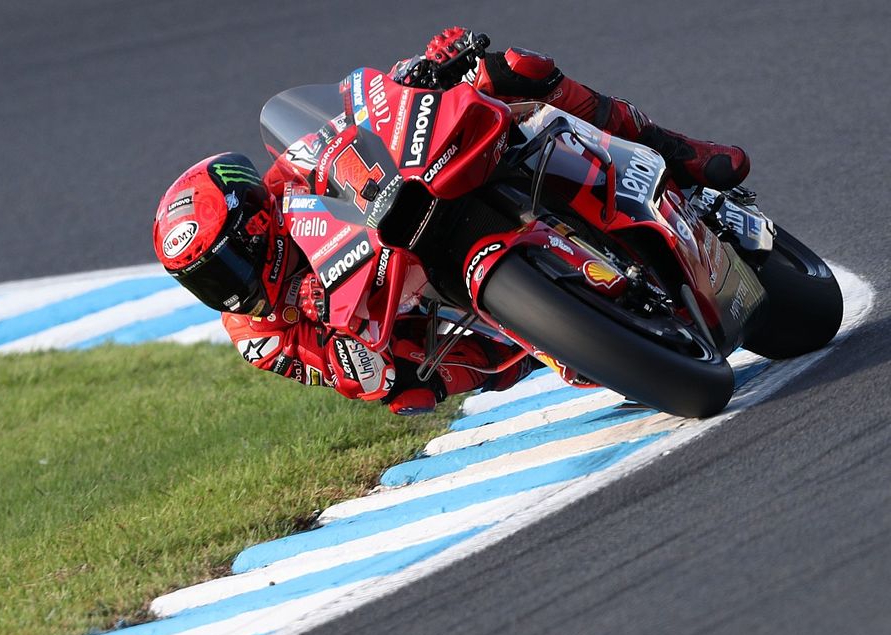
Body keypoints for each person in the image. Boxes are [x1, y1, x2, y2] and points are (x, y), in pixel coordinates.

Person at [152, 28, 750, 415]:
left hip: (427, 191)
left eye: (228, 261)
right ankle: (571, 335)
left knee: (512, 69)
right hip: (415, 297)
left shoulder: (290, 175)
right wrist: (351, 346)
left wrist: (420, 74)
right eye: (207, 281)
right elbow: (352, 374)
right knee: (409, 386)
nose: (230, 288)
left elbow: (358, 116)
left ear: (256, 220)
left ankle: (674, 149)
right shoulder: (257, 335)